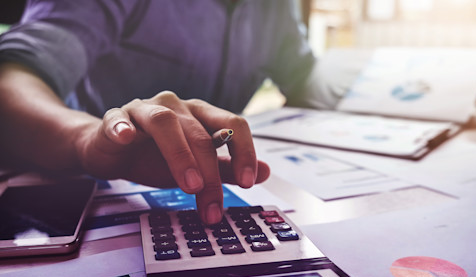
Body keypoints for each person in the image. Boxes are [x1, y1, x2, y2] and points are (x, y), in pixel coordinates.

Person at [0, 0, 331, 224]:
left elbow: (304, 78)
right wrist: (85, 139)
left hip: (208, 196)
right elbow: (11, 76)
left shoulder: (274, 8)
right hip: (80, 193)